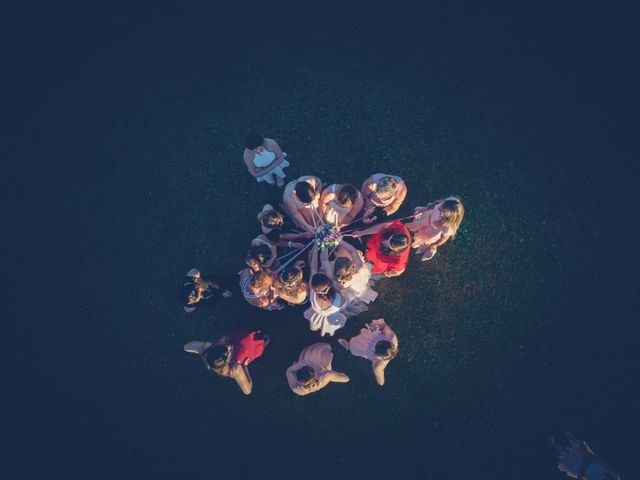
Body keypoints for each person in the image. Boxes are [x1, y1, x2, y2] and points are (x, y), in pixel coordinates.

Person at [184, 330, 269, 395]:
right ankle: (262, 341)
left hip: (243, 341)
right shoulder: (235, 368)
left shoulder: (233, 369)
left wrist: (205, 349)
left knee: (248, 339)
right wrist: (244, 366)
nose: (228, 347)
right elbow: (247, 390)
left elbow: (186, 347)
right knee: (252, 341)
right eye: (227, 350)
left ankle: (261, 340)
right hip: (245, 342)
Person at [319, 243, 377, 317]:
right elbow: (353, 251)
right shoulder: (359, 269)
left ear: (335, 268)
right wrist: (341, 240)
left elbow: (324, 260)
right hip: (354, 285)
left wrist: (325, 245)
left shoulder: (332, 278)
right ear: (352, 267)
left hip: (344, 291)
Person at [338, 319, 398, 386]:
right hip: (373, 336)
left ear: (380, 358)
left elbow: (380, 377)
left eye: (373, 351)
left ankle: (348, 345)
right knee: (370, 333)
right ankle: (361, 336)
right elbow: (385, 328)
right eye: (375, 347)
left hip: (364, 348)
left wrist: (381, 382)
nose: (372, 348)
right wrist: (378, 327)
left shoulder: (378, 365)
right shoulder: (391, 337)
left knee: (353, 347)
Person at [303, 245, 347, 336]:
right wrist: (325, 245)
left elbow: (313, 268)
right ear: (328, 282)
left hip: (319, 309)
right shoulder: (338, 296)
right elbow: (343, 303)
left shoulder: (312, 292)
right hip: (331, 310)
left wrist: (315, 250)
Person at [406, 196, 464, 261]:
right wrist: (423, 209)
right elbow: (434, 205)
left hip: (431, 231)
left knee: (418, 237)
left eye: (441, 213)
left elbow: (443, 239)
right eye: (440, 206)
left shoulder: (447, 228)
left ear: (447, 218)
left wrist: (434, 244)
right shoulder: (449, 202)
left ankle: (411, 240)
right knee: (415, 227)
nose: (438, 209)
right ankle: (412, 231)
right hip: (428, 217)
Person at [285, 342, 349, 395]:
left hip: (312, 359)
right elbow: (346, 378)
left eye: (315, 381)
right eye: (307, 386)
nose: (312, 387)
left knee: (297, 362)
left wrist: (299, 365)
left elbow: (289, 372)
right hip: (311, 362)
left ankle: (328, 347)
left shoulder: (298, 389)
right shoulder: (298, 390)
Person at [551, 433, 621, 479]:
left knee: (563, 453)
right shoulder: (612, 474)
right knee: (572, 444)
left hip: (579, 466)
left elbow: (580, 477)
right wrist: (588, 458)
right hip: (586, 460)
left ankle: (553, 441)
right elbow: (597, 459)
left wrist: (584, 465)